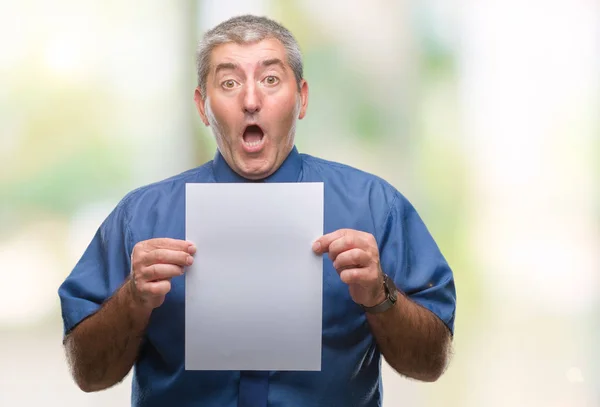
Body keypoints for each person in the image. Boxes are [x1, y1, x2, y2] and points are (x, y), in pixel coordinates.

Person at [58, 14, 456, 407]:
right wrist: (133, 299)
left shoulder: (374, 206)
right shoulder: (139, 218)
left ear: (301, 99)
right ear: (202, 106)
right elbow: (88, 374)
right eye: (229, 83)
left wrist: (378, 295)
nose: (251, 101)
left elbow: (431, 364)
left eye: (270, 80)